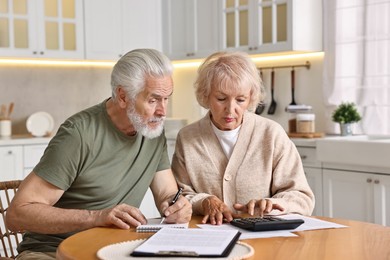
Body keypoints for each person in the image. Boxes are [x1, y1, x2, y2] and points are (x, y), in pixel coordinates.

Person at [6, 49, 192, 259]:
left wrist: (177, 207)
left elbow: (166, 193)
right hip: (51, 251)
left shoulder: (150, 130)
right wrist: (96, 217)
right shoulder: (79, 134)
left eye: (166, 99)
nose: (163, 111)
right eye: (153, 100)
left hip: (112, 248)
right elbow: (17, 214)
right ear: (123, 96)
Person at [171, 51, 314, 225]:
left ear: (251, 98)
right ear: (206, 95)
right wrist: (204, 201)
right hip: (208, 236)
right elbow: (178, 195)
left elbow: (302, 196)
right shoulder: (187, 138)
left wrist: (275, 204)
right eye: (221, 98)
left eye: (240, 99)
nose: (230, 109)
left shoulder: (272, 134)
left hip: (264, 237)